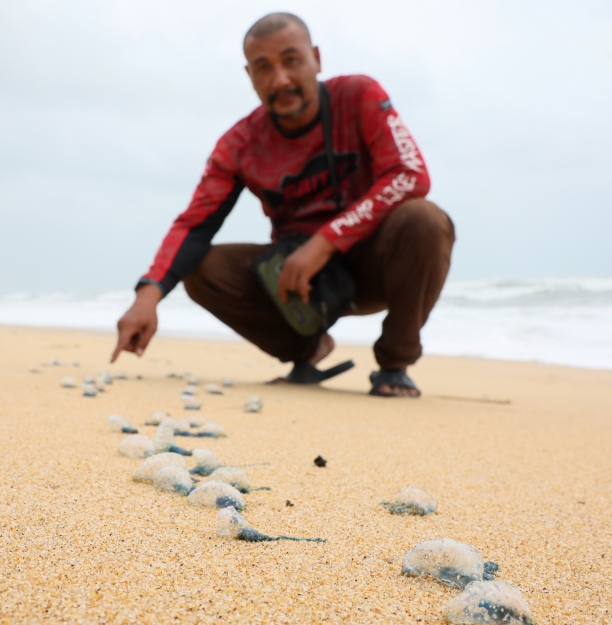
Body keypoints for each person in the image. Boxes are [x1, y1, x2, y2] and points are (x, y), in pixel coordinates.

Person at [111, 12, 455, 397]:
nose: (281, 79)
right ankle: (307, 350)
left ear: (316, 59)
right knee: (204, 268)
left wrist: (324, 242)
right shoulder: (238, 144)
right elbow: (195, 223)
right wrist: (148, 296)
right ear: (250, 76)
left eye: (292, 60)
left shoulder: (359, 95)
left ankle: (395, 364)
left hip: (375, 265)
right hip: (298, 286)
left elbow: (410, 175)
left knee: (425, 219)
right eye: (264, 68)